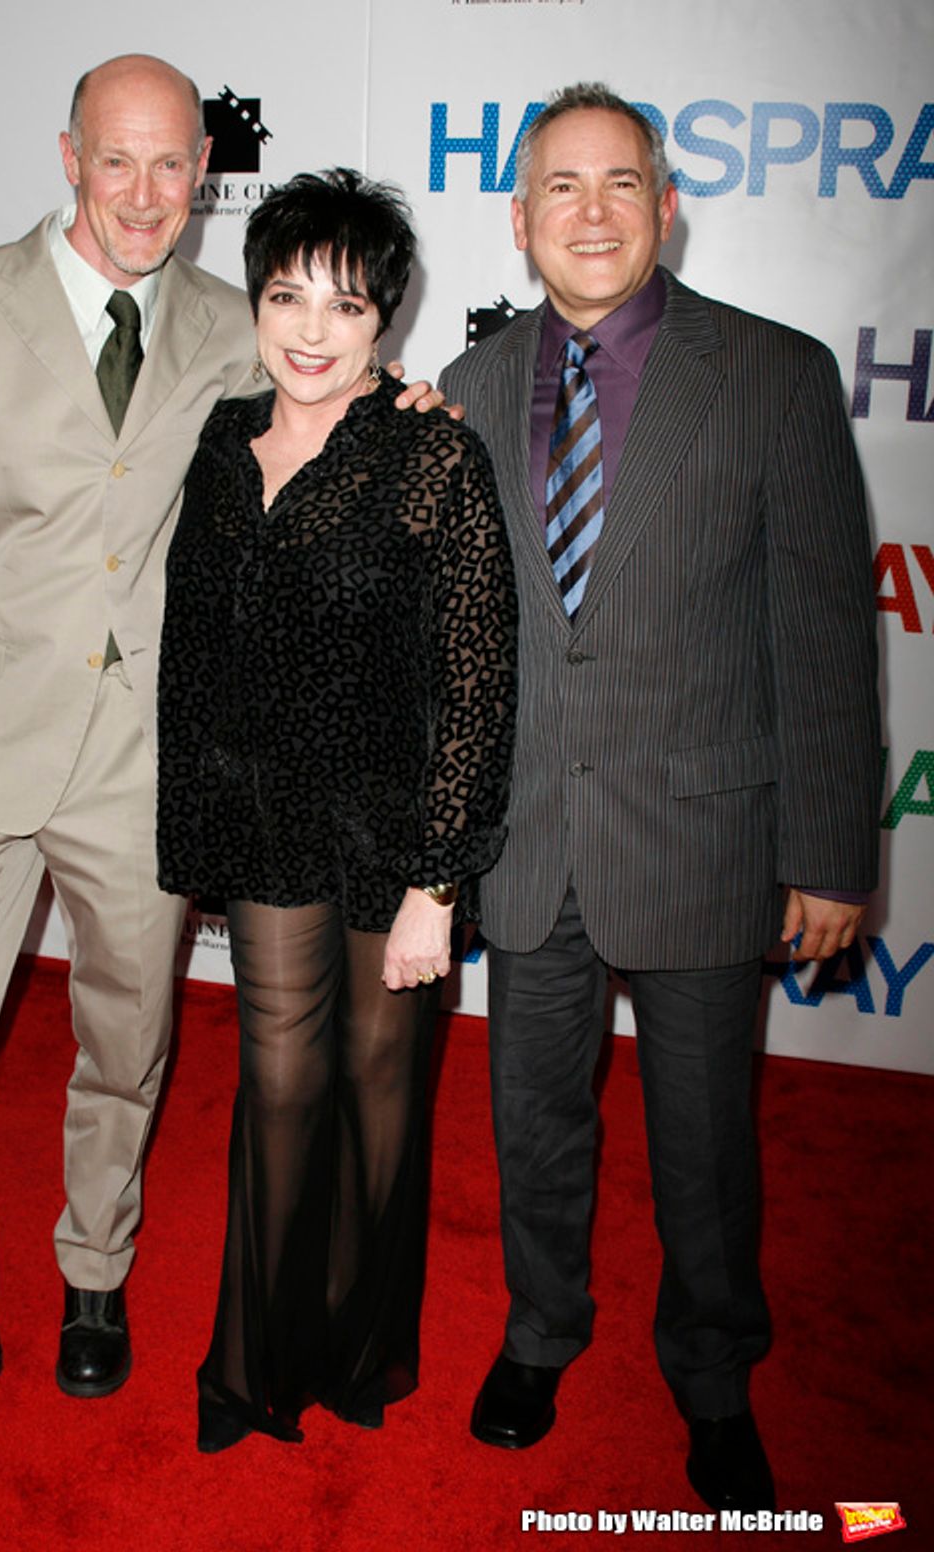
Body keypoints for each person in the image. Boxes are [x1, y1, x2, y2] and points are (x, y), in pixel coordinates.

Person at [0, 57, 441, 1432]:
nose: (144, 196)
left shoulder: (240, 322)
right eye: (116, 161)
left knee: (125, 1036)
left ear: (205, 167)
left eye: (171, 166)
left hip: (150, 756)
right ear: (69, 157)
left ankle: (95, 1272)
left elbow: (336, 401)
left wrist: (418, 406)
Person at [439, 84, 879, 1511]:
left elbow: (820, 632)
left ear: (665, 202)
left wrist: (828, 850)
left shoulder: (774, 372)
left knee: (706, 1138)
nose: (591, 212)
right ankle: (540, 1331)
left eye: (619, 182)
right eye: (559, 188)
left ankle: (710, 1368)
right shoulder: (472, 387)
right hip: (528, 838)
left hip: (703, 831)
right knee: (534, 1122)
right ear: (518, 221)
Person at [157, 168, 518, 1451]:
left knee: (378, 1089)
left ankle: (361, 1345)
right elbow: (192, 651)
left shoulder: (433, 451)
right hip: (267, 824)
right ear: (254, 303)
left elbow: (477, 675)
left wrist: (439, 879)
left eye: (346, 306)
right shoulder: (220, 439)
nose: (312, 330)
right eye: (286, 296)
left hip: (391, 833)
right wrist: (192, 830)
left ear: (386, 324)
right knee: (277, 1083)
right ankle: (255, 1361)